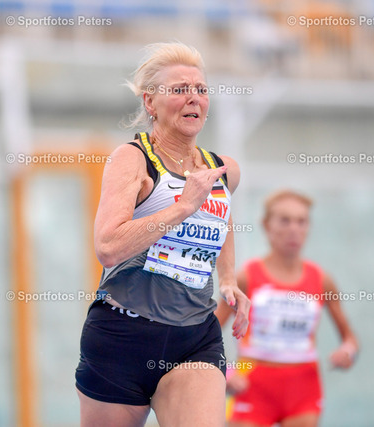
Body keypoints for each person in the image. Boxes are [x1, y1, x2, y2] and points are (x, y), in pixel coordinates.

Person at [75, 42, 250, 427]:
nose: (194, 98)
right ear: (150, 102)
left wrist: (228, 279)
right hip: (122, 337)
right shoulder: (132, 159)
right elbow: (108, 246)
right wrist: (182, 208)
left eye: (200, 89)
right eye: (180, 89)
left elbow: (222, 218)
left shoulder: (223, 170)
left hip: (195, 337)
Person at [216, 190, 358, 427]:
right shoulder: (247, 276)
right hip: (252, 385)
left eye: (301, 221)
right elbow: (207, 334)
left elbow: (350, 338)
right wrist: (227, 372)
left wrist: (347, 352)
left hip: (303, 389)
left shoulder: (321, 279)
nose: (294, 229)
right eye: (285, 220)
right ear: (266, 225)